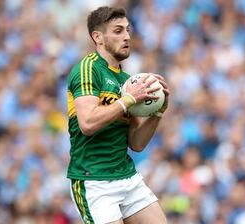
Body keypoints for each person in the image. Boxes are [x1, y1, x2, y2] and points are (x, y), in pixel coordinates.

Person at [66, 6, 169, 224]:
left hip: (126, 176)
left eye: (128, 30)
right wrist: (128, 100)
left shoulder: (126, 81)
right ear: (98, 37)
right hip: (93, 180)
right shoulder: (88, 68)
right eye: (118, 31)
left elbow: (136, 143)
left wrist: (158, 112)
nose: (127, 36)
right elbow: (87, 123)